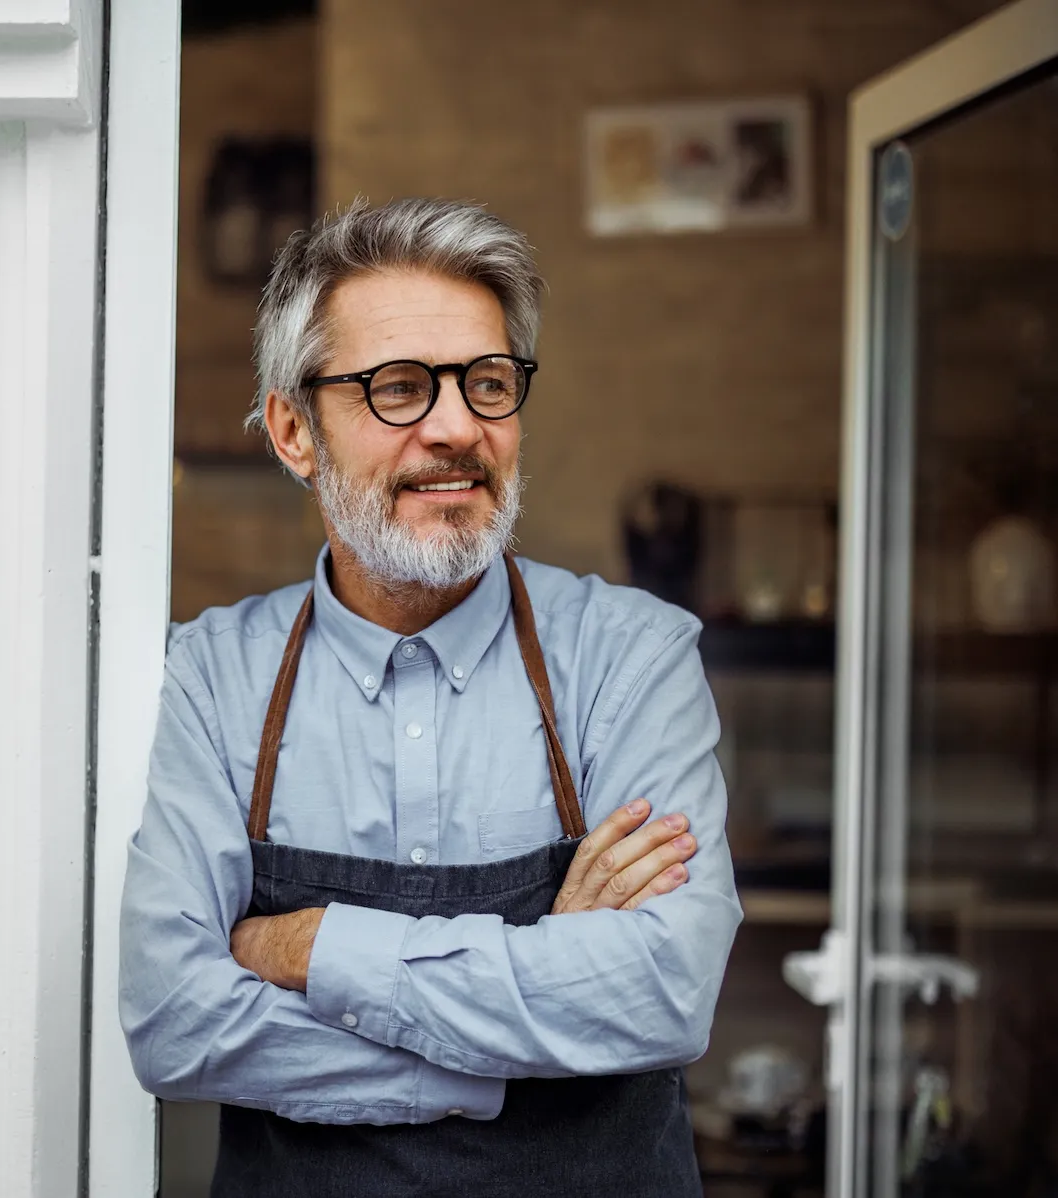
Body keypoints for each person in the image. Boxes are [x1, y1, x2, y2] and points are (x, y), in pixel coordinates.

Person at [119, 197, 742, 1197]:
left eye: (487, 383)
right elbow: (174, 1022)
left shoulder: (632, 658)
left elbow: (663, 993)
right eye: (399, 388)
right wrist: (521, 1009)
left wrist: (306, 945)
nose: (457, 429)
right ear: (294, 430)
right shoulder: (216, 675)